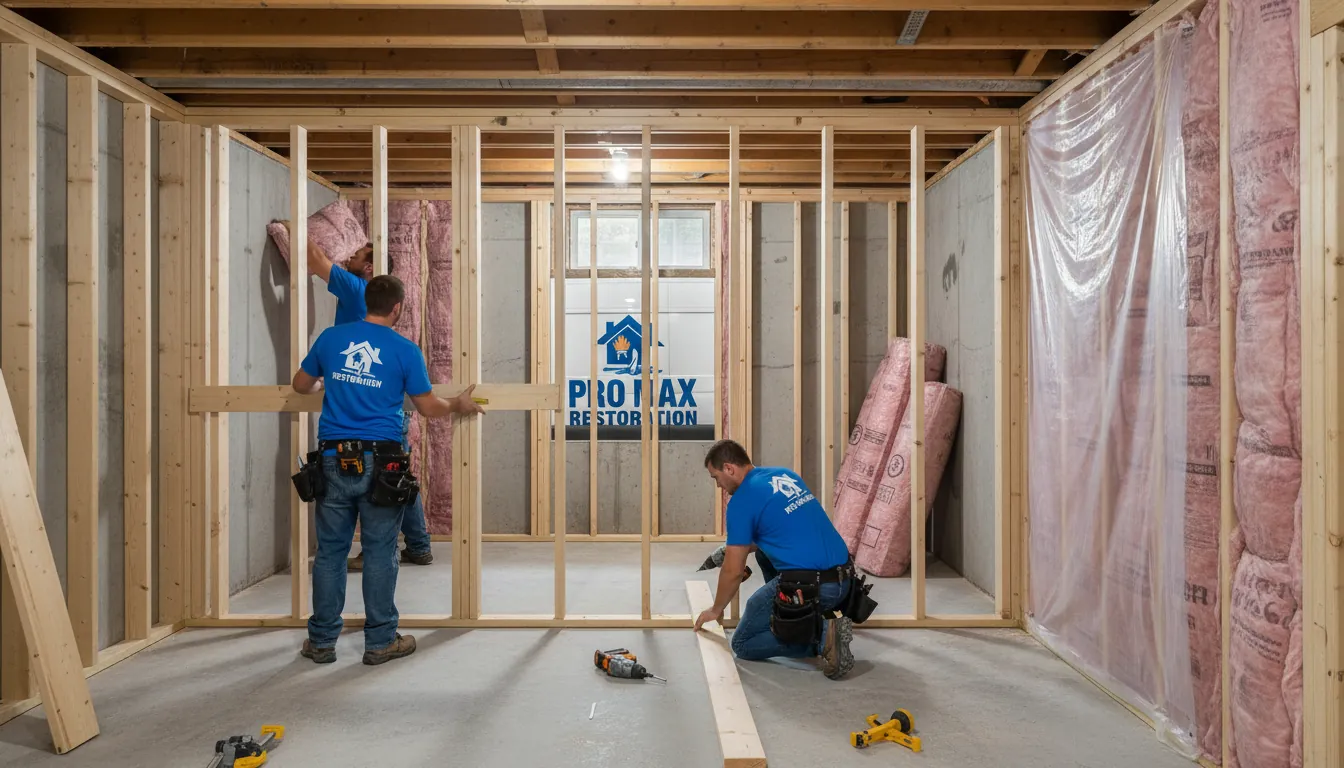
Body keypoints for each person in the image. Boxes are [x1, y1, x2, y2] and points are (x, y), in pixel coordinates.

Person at [291, 274, 484, 666]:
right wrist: (457, 404)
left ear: (366, 303)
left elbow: (300, 385)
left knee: (331, 552)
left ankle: (322, 641)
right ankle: (380, 642)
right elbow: (428, 407)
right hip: (383, 461)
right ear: (397, 308)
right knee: (380, 551)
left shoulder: (331, 338)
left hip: (333, 458)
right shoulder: (404, 350)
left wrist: (325, 385)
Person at [303, 234, 434, 568]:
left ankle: (401, 547)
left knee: (388, 480)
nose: (350, 257)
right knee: (395, 477)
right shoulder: (372, 301)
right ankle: (418, 545)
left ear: (370, 268)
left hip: (363, 413)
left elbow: (314, 257)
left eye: (358, 254)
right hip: (383, 408)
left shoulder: (355, 288)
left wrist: (292, 225)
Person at [693, 439, 855, 680]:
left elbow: (733, 571)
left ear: (729, 468)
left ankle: (822, 638)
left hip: (814, 588)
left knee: (743, 642)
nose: (718, 486)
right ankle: (802, 619)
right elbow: (780, 528)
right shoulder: (784, 475)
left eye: (716, 478)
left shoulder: (741, 502)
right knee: (762, 553)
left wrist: (716, 609)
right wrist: (735, 547)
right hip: (845, 581)